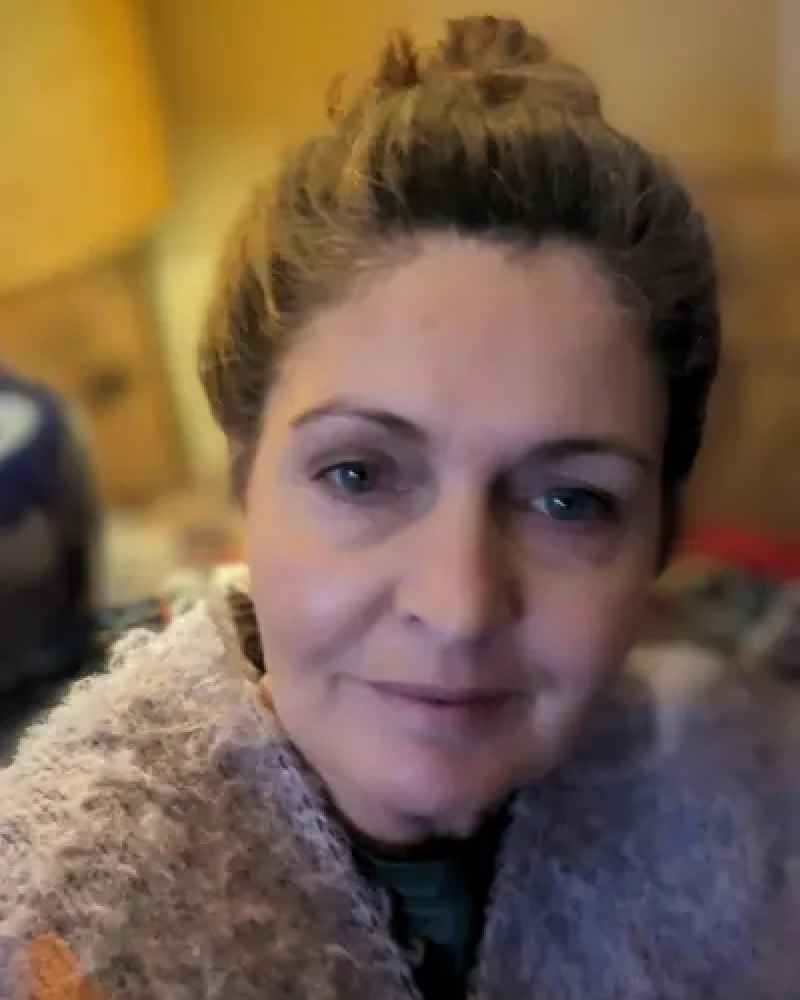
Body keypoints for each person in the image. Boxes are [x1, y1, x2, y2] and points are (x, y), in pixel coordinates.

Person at [1, 16, 798, 1000]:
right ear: (243, 483)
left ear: (656, 547)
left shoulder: (737, 800)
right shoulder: (65, 914)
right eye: (358, 475)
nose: (457, 605)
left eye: (567, 499)